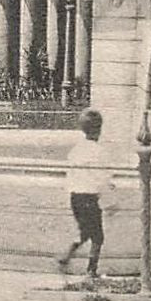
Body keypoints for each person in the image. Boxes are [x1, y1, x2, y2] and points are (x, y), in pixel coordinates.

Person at [57, 108, 114, 279]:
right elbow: (103, 177)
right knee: (98, 236)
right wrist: (110, 198)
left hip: (75, 196)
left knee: (85, 232)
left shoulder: (76, 150)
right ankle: (91, 270)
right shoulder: (100, 151)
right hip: (90, 197)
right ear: (99, 130)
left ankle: (67, 255)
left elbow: (71, 174)